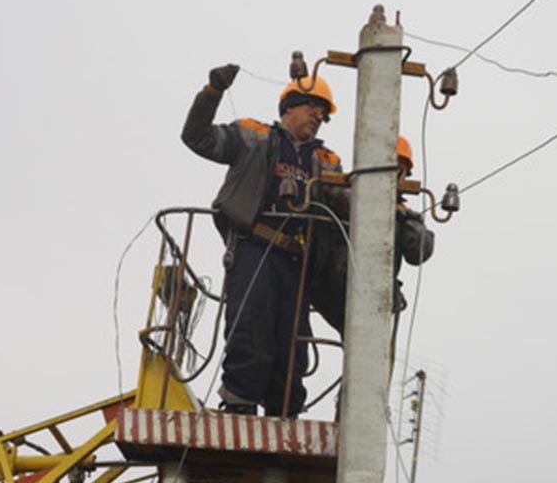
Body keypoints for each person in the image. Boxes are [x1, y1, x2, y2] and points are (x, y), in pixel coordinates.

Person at [180, 63, 345, 419]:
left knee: (293, 344)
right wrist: (213, 91)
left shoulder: (326, 162)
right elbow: (197, 136)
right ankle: (239, 405)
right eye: (313, 107)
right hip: (255, 248)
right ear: (290, 107)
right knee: (250, 327)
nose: (319, 116)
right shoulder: (253, 137)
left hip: (298, 261)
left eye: (323, 113)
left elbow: (351, 206)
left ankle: (283, 413)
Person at [308, 135, 435, 337]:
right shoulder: (347, 196)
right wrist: (388, 211)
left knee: (366, 351)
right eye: (387, 167)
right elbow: (343, 201)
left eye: (398, 169)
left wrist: (410, 224)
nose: (391, 175)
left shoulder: (405, 216)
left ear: (405, 174)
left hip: (375, 294)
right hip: (331, 285)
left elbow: (418, 254)